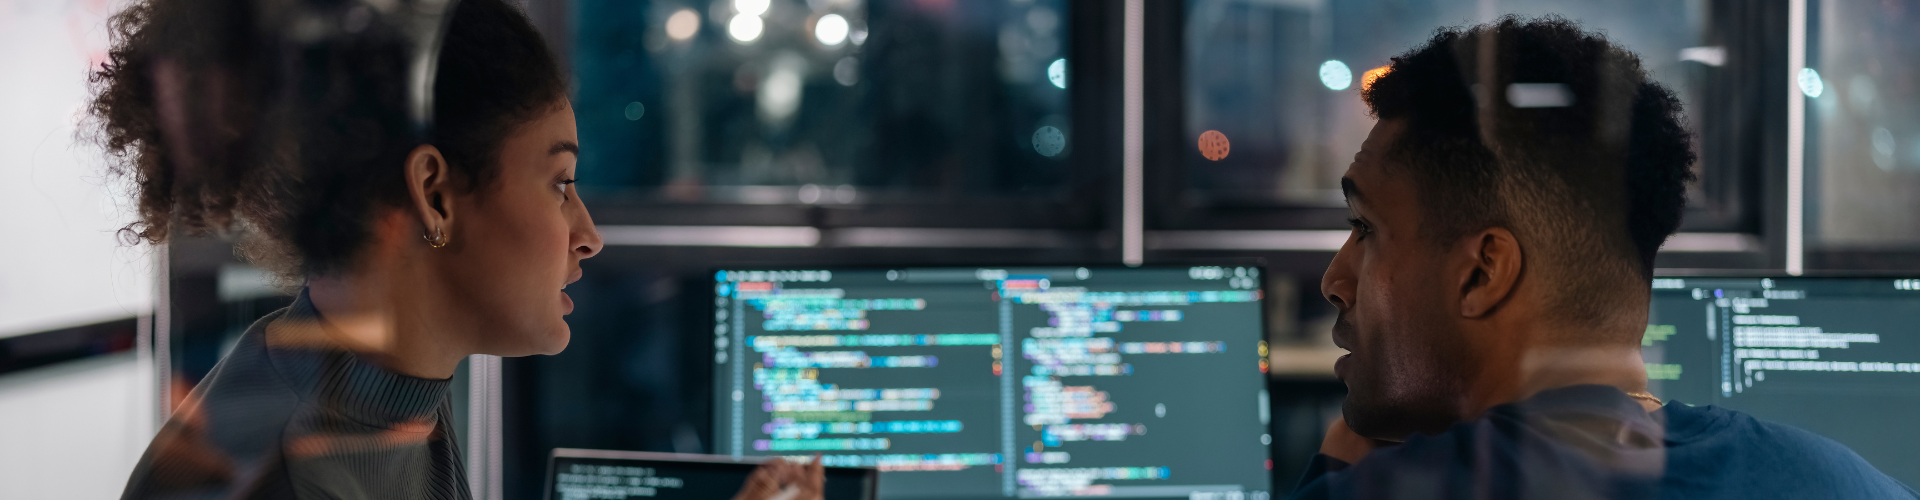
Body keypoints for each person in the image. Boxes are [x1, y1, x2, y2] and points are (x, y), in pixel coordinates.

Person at [90, 0, 822, 498]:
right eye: (560, 182)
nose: (588, 234)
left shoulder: (371, 386)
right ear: (435, 193)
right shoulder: (292, 472)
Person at [1292, 16, 1918, 499]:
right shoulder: (1851, 483)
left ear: (1484, 272)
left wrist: (1339, 469)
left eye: (1364, 228)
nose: (1334, 281)